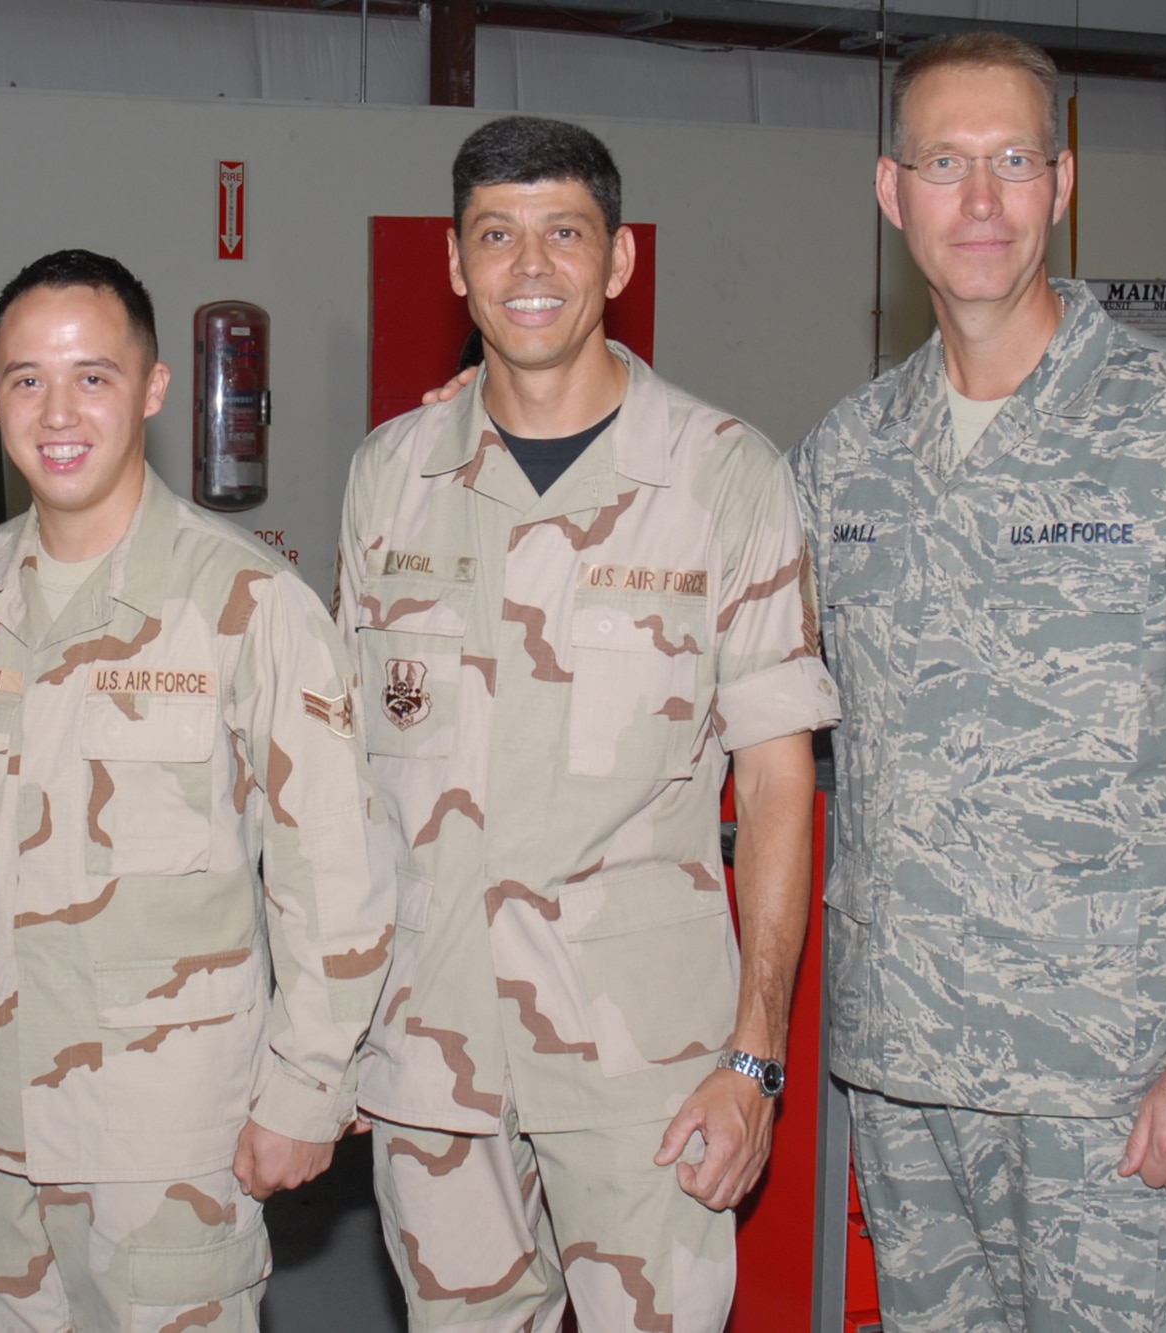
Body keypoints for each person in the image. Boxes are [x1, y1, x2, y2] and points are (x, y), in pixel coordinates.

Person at [794, 32, 1166, 1332]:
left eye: (1013, 161)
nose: (981, 202)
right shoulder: (844, 462)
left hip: (1118, 1093)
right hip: (912, 1083)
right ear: (894, 193)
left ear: (1064, 185)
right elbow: (717, 653)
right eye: (946, 163)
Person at [341, 116, 840, 1330]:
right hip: (431, 1052)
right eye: (495, 236)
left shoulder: (724, 475)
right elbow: (346, 778)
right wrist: (339, 1022)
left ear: (617, 263)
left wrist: (752, 1058)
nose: (528, 268)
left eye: (563, 234)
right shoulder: (391, 473)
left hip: (644, 1066)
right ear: (454, 266)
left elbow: (777, 783)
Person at [0, 249, 393, 1331]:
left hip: (168, 1141)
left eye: (93, 377)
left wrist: (306, 1090)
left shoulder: (245, 603)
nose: (57, 411)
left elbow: (334, 868)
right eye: (26, 379)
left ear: (153, 390)